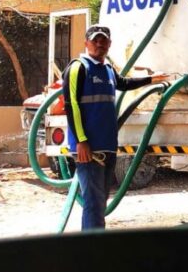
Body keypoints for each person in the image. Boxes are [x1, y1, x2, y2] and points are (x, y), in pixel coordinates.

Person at [62, 24, 169, 230]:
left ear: (109, 44)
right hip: (88, 150)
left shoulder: (108, 69)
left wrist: (151, 79)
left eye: (104, 41)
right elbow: (71, 105)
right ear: (86, 43)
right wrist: (82, 142)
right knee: (93, 204)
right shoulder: (78, 67)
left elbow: (124, 83)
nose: (99, 44)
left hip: (108, 146)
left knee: (100, 203)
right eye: (95, 40)